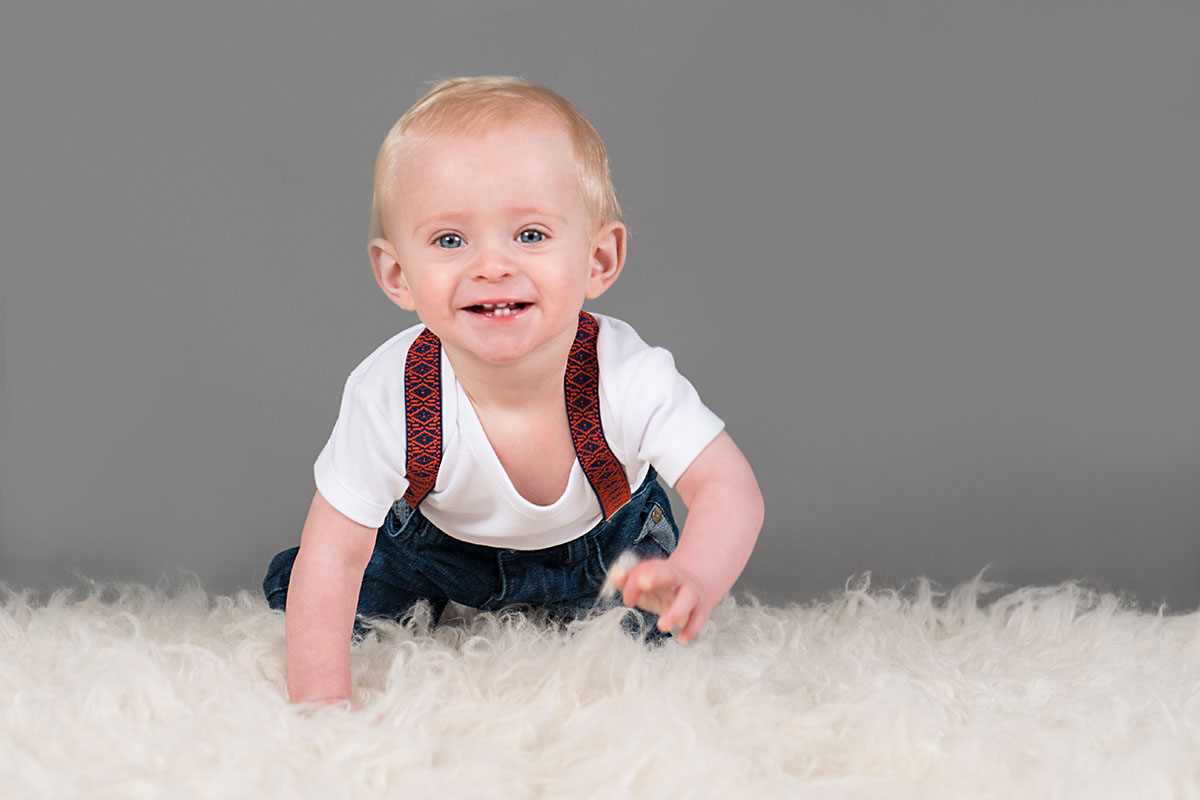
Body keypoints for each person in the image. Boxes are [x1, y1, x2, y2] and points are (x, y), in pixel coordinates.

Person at [263, 76, 764, 706]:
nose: (492, 265)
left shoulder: (626, 374)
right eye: (451, 240)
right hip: (439, 550)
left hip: (604, 549)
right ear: (398, 276)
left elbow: (729, 486)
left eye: (530, 234)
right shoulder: (388, 392)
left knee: (642, 640)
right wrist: (321, 710)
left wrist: (695, 572)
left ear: (598, 261)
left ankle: (609, 602)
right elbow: (334, 555)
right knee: (320, 597)